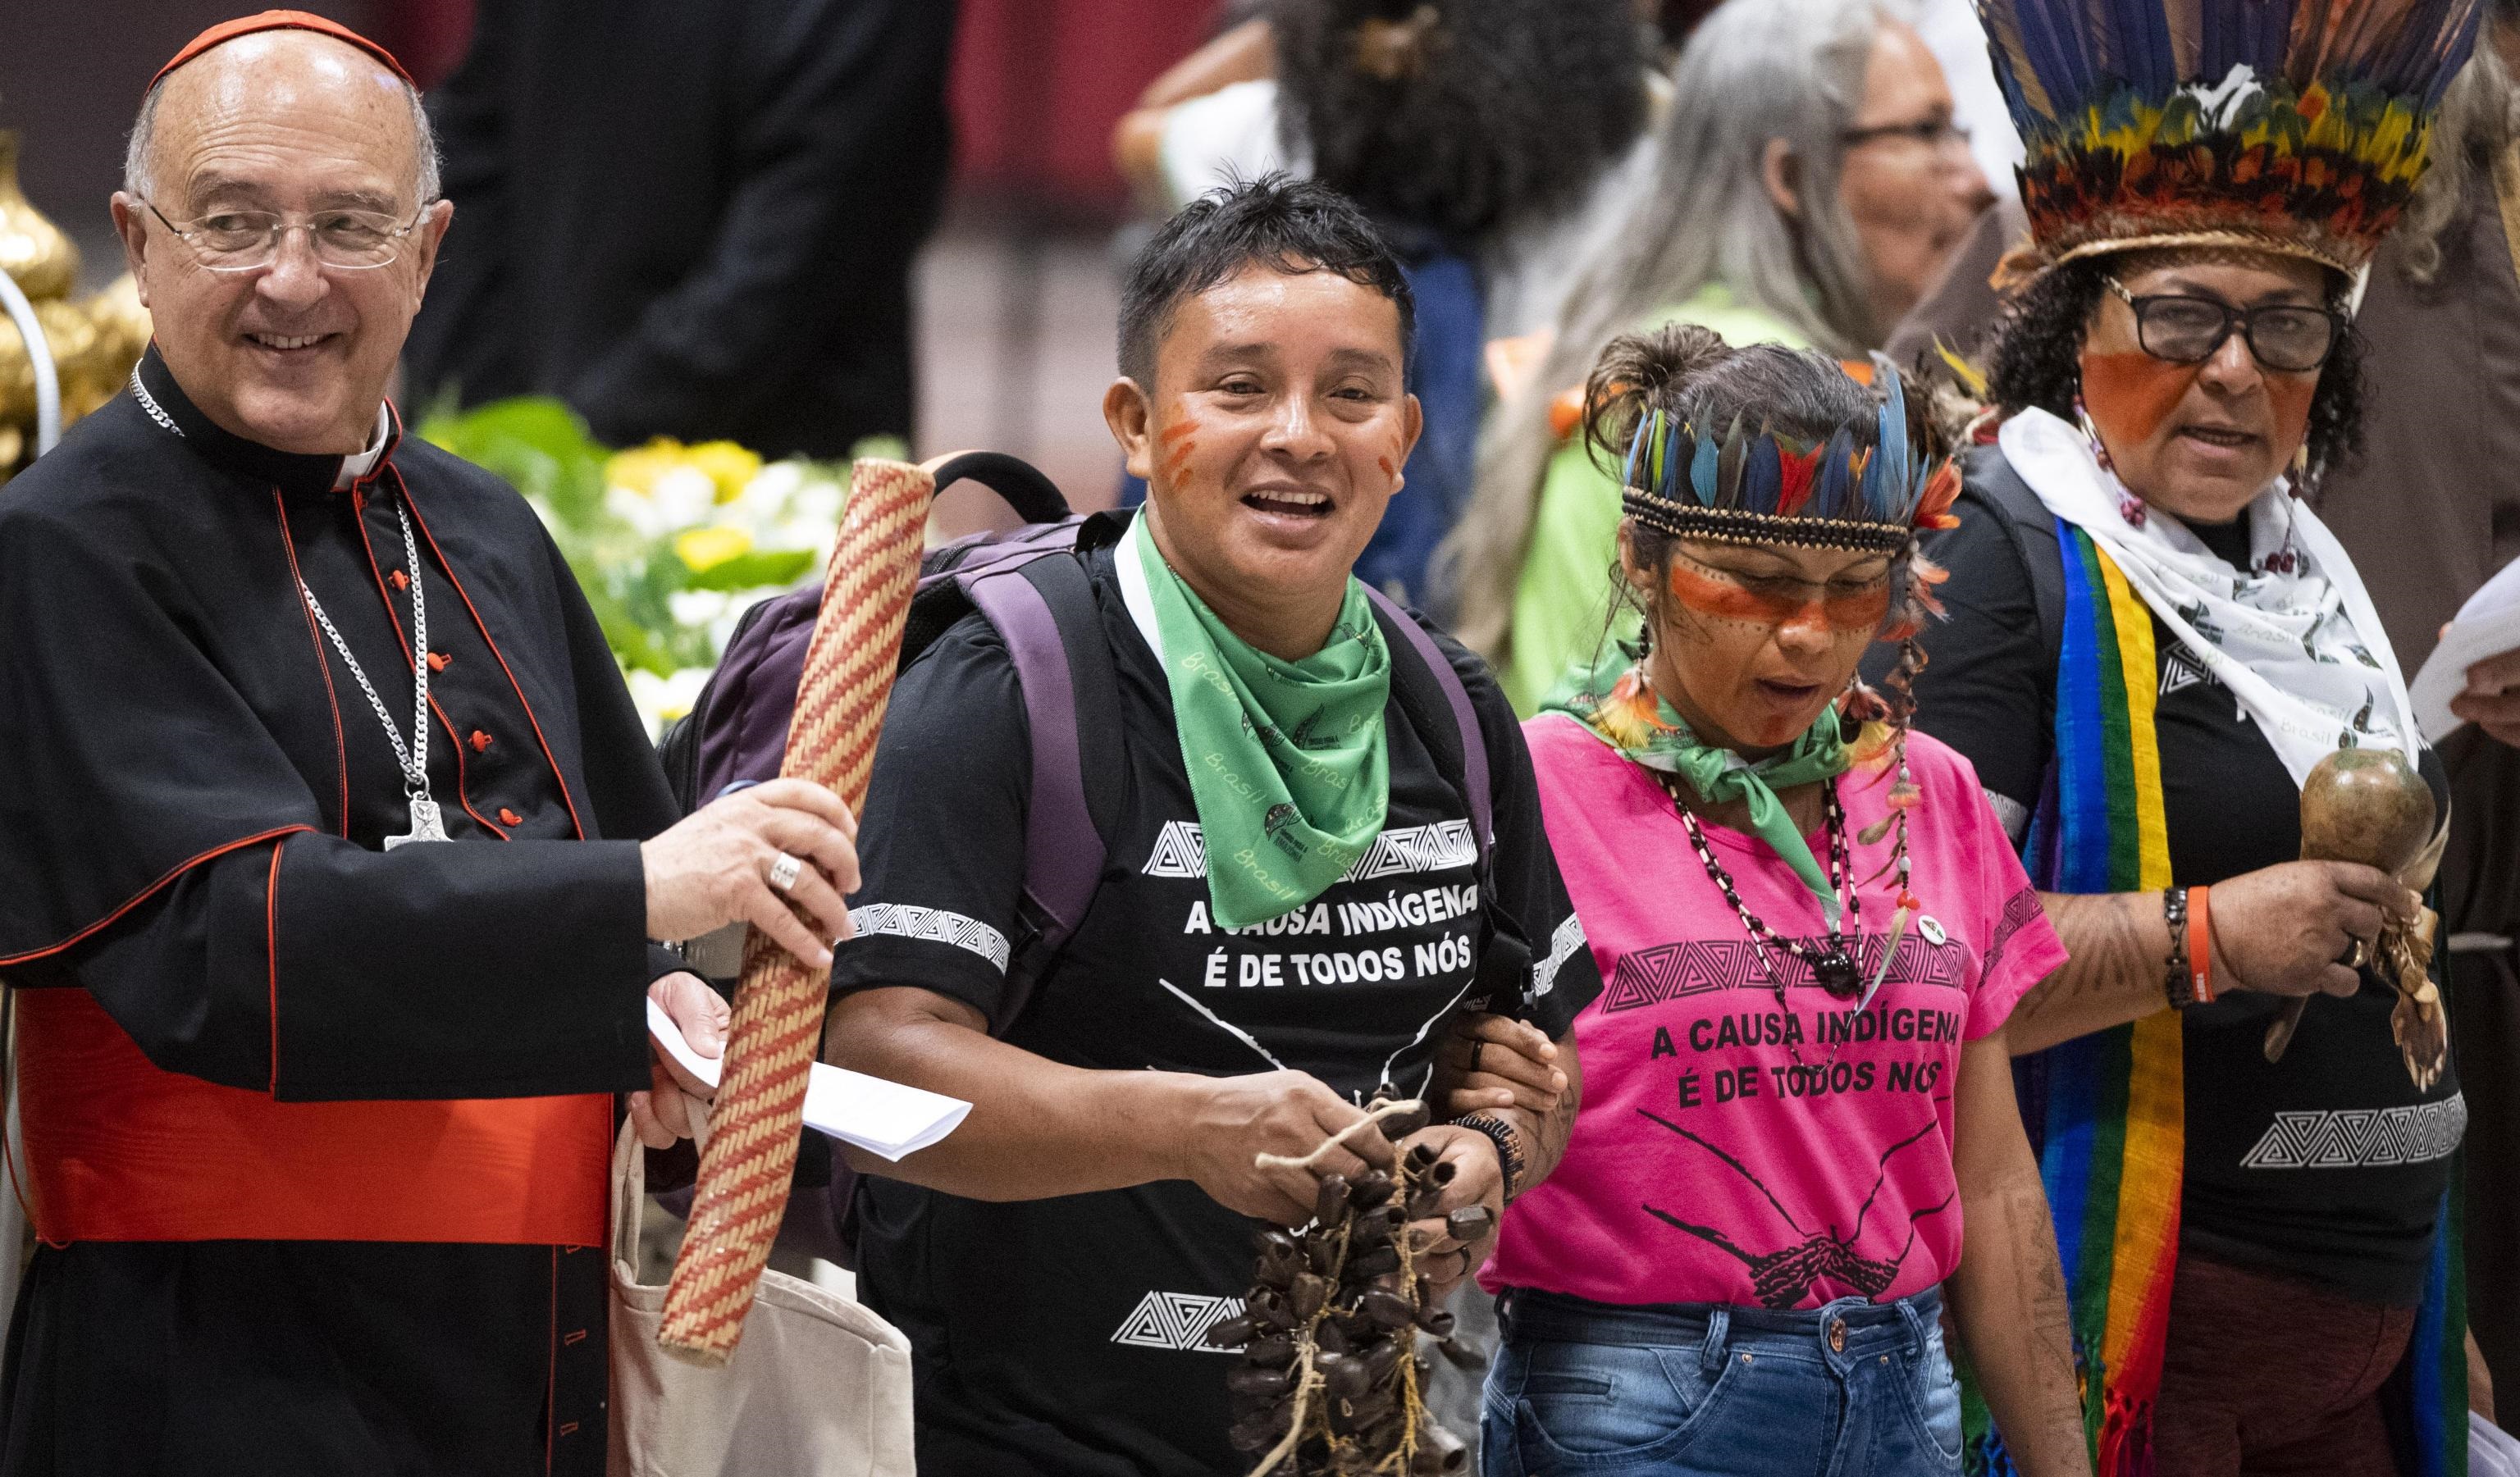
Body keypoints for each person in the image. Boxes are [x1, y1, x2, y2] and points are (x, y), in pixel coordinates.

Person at [0, 16, 860, 1475]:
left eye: (349, 226)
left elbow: (603, 874)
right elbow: (223, 945)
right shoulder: (60, 547)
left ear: (429, 249)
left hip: (529, 1361)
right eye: (233, 224)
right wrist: (641, 902)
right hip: (211, 1370)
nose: (292, 279)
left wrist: (664, 1015)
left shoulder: (486, 528)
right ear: (136, 247)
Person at [817, 176, 1603, 1476]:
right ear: (1133, 422)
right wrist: (1187, 1127)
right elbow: (871, 1070)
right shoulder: (1006, 688)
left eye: (1351, 396)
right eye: (1236, 388)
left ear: (1404, 436)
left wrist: (1490, 1152)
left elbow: (1526, 1072)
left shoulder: (1450, 706)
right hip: (1022, 1440)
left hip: (1359, 1438)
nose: (1299, 435)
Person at [1878, 1, 2483, 1471]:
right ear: (2065, 325)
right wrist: (2204, 934)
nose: (2231, 370)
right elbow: (1905, 979)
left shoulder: (2304, 572)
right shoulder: (1997, 562)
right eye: (2176, 317)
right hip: (2148, 1345)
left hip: (2375, 1344)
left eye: (2283, 328)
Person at [1440, 327, 2086, 1476]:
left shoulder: (1930, 794)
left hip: (1906, 1395)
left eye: (1854, 593)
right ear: (1641, 558)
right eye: (1758, 584)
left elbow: (1991, 1176)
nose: (1809, 637)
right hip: (1634, 1405)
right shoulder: (1530, 793)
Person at [1447, 0, 1999, 715]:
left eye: (1957, 132)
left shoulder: (1653, 341)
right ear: (1792, 177)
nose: (1977, 180)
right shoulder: (1773, 393)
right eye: (1926, 133)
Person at [1112, 0, 1652, 608]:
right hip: (1479, 585)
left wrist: (1287, 38)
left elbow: (1145, 130)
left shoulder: (1280, 133)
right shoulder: (1607, 175)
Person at [402, 0, 956, 459]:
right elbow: (475, 144)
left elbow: (807, 237)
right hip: (542, 412)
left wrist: (566, 439)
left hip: (774, 462)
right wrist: (489, 424)